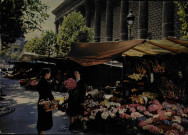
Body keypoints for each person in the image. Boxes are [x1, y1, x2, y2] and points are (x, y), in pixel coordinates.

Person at [37, 68, 54, 134]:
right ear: (46, 74)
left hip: (41, 101)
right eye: (49, 73)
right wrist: (53, 100)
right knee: (44, 121)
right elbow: (49, 93)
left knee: (41, 119)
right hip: (45, 103)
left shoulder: (41, 81)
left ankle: (41, 133)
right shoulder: (45, 82)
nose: (50, 75)